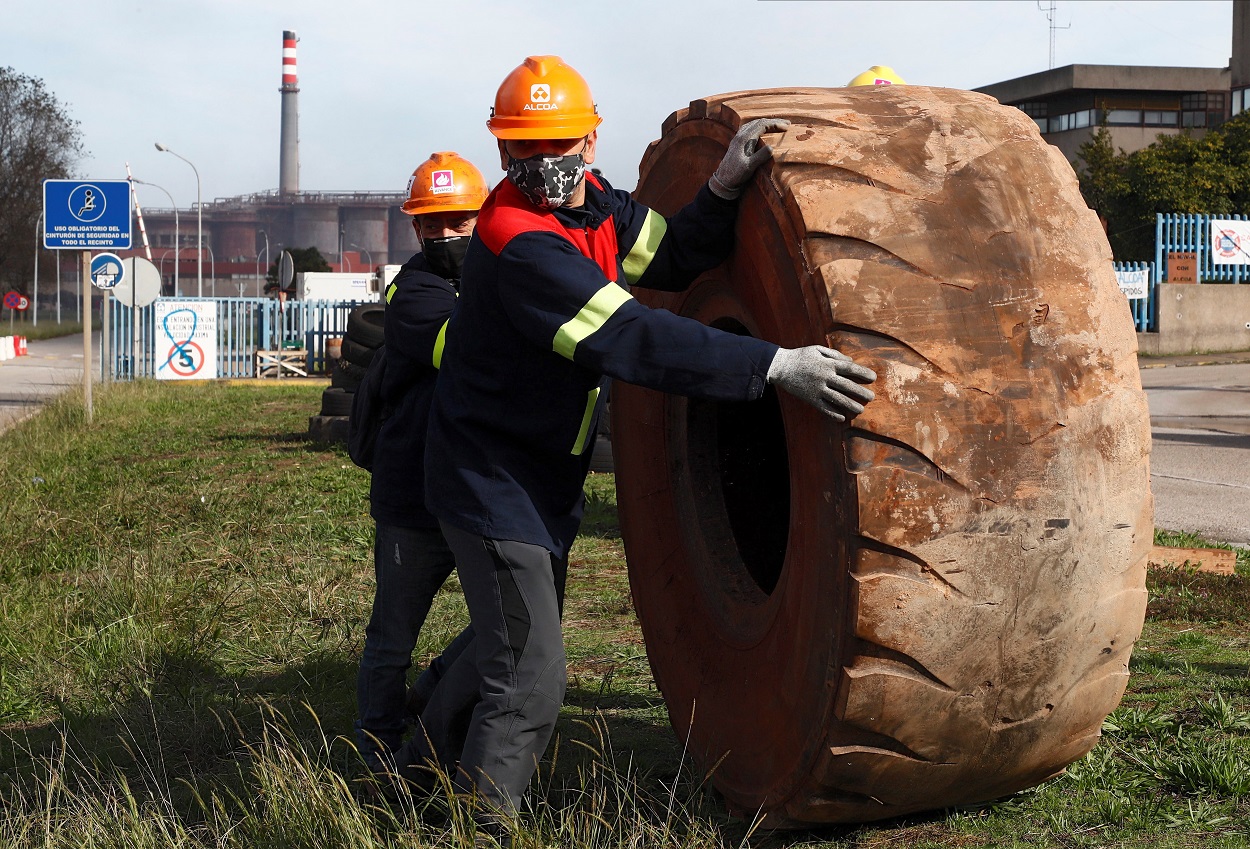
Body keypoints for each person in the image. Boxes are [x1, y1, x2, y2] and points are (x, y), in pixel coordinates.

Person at [417, 55, 877, 840]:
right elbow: (633, 336)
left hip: (531, 475)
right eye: (527, 149)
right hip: (493, 479)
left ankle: (416, 755)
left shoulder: (592, 204)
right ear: (502, 154)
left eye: (560, 144)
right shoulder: (517, 242)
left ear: (590, 141)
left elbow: (666, 253)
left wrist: (726, 183)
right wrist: (774, 363)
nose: (546, 164)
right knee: (531, 672)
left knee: (511, 638)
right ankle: (475, 826)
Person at [353, 151, 486, 779]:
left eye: (459, 220)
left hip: (474, 492)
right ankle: (377, 750)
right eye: (433, 224)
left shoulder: (495, 276)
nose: (447, 234)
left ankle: (432, 692)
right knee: (392, 635)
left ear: (482, 217)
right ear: (415, 229)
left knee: (506, 621)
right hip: (412, 496)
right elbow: (464, 352)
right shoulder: (414, 293)